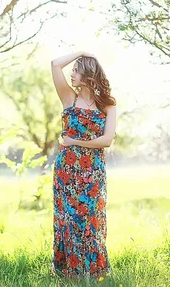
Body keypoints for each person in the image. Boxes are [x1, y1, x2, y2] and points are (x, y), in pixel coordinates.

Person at [49, 51, 117, 279]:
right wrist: (79, 52)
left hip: (93, 171)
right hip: (66, 171)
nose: (72, 74)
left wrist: (74, 142)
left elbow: (106, 140)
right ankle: (69, 272)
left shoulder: (107, 104)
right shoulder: (69, 97)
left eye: (77, 70)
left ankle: (93, 271)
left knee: (91, 219)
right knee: (67, 219)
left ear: (88, 74)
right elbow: (55, 64)